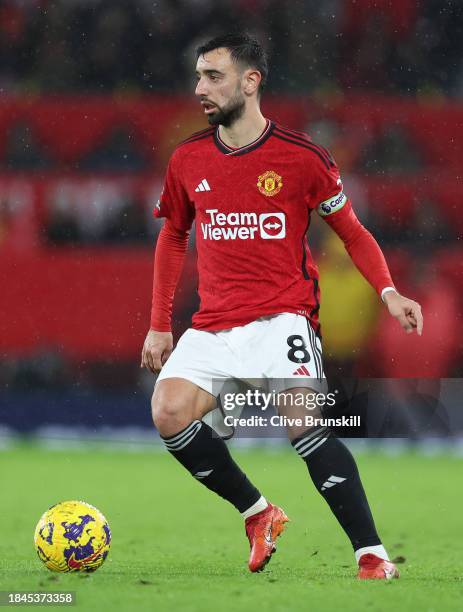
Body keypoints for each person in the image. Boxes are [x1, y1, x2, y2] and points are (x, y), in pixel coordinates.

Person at [141, 33, 423, 579]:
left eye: (214, 77)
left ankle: (372, 555)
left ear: (251, 82)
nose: (200, 88)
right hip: (214, 324)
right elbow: (173, 235)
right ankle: (258, 513)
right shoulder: (188, 158)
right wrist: (158, 325)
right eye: (198, 76)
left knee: (304, 425)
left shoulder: (303, 158)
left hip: (283, 318)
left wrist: (389, 293)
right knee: (167, 412)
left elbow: (353, 232)